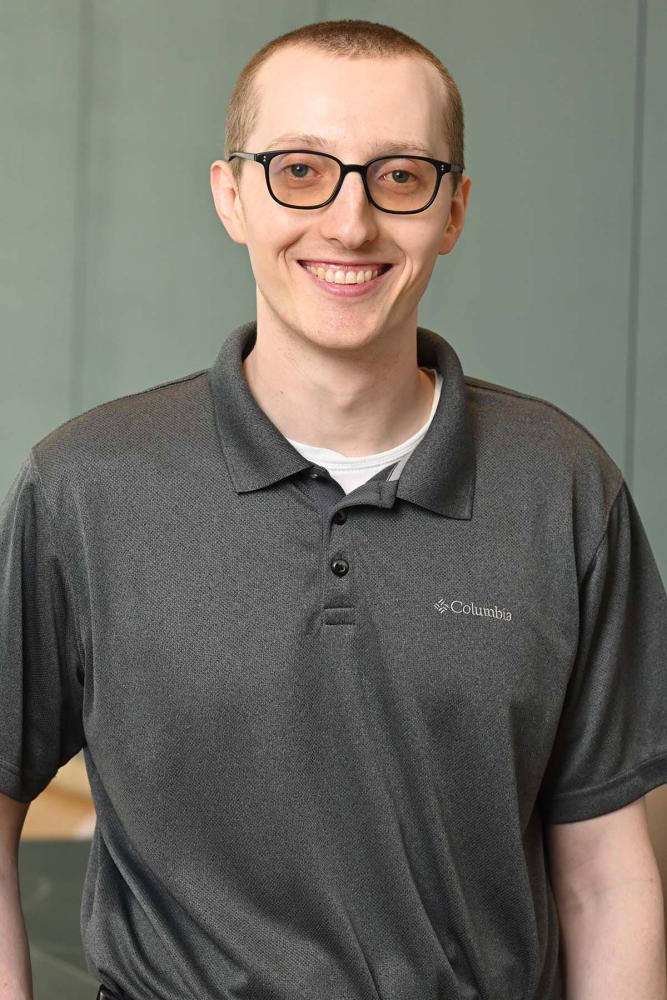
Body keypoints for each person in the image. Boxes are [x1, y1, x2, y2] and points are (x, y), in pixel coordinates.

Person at [1, 17, 666, 1000]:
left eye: (397, 176)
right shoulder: (87, 485)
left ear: (453, 209)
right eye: (300, 171)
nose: (348, 224)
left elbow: (608, 880)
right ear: (231, 195)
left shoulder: (562, 488)